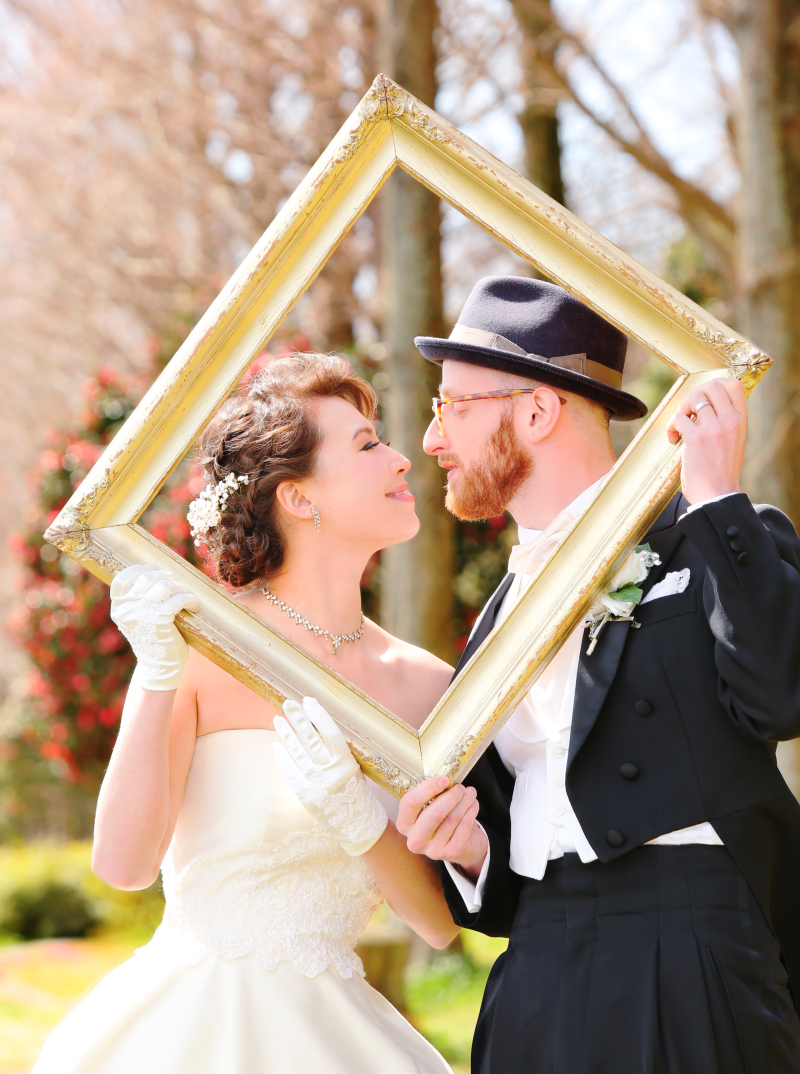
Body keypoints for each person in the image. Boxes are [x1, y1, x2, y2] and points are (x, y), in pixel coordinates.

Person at [395, 274, 800, 1074]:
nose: (433, 440)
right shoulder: (498, 617)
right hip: (535, 961)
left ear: (537, 411)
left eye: (453, 407)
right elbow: (514, 827)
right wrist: (471, 851)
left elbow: (781, 697)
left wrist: (717, 500)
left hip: (691, 949)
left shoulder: (711, 536)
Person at [33, 352, 461, 1074]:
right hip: (187, 1032)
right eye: (367, 445)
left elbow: (439, 924)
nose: (401, 459)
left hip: (339, 1039)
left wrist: (362, 821)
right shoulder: (203, 645)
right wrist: (156, 673)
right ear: (298, 497)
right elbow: (123, 865)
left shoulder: (426, 686)